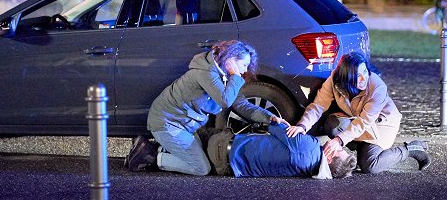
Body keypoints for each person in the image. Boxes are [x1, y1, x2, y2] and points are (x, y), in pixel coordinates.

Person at [125, 40, 288, 175]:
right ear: (231, 59)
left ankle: (151, 147)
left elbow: (241, 105)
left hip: (184, 126)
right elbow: (225, 100)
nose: (245, 70)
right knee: (201, 168)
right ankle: (150, 157)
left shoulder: (225, 77)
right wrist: (235, 75)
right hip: (167, 123)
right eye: (244, 64)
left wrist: (269, 117)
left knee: (198, 155)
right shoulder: (207, 72)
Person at [286, 52, 431, 174]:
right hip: (357, 119)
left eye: (364, 72)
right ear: (346, 77)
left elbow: (364, 121)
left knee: (370, 166)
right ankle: (363, 148)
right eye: (357, 75)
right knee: (332, 125)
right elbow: (318, 105)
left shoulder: (377, 87)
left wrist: (339, 140)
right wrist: (302, 126)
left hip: (381, 124)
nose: (363, 79)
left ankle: (411, 149)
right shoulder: (335, 80)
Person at [203, 122, 358, 179]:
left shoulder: (308, 147)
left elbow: (275, 126)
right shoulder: (310, 171)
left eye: (338, 150)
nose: (337, 146)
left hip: (221, 145)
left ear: (330, 159)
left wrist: (280, 122)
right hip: (225, 168)